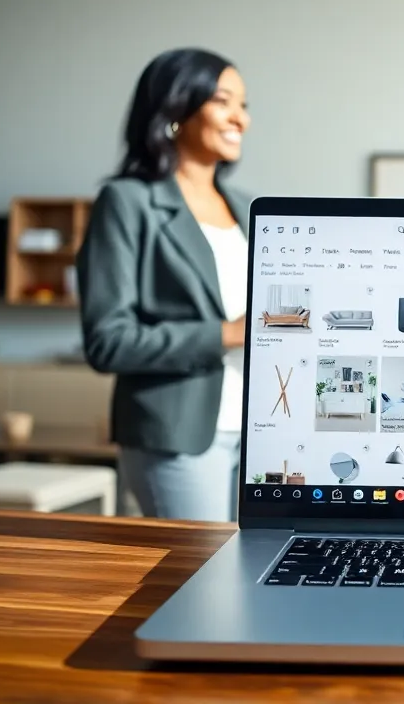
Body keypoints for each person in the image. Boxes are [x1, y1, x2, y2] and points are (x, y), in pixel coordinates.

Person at [77, 47, 253, 522]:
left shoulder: (249, 207)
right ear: (175, 111)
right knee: (203, 568)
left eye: (244, 105)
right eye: (223, 101)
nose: (240, 118)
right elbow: (108, 341)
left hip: (261, 433)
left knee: (259, 564)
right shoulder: (126, 202)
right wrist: (226, 333)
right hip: (178, 435)